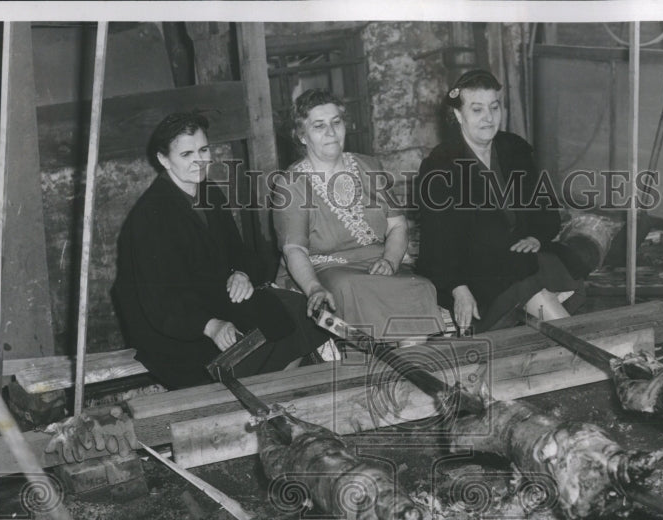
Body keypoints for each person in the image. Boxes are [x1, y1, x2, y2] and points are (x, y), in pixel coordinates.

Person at [113, 111, 327, 389]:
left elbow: (238, 251)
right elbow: (157, 299)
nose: (199, 161)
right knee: (245, 343)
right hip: (172, 324)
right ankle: (253, 398)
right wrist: (210, 325)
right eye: (187, 154)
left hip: (209, 298)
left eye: (203, 150)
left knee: (298, 311)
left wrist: (241, 273)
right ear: (163, 160)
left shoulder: (209, 192)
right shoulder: (151, 215)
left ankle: (274, 395)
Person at [416, 69, 580, 334]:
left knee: (556, 267)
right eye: (477, 110)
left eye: (494, 107)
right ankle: (593, 350)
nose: (488, 118)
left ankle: (584, 348)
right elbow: (436, 243)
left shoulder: (514, 148)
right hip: (475, 272)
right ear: (459, 115)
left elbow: (546, 210)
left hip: (522, 257)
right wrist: (459, 289)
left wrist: (536, 236)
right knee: (535, 289)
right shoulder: (439, 166)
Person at [272, 89, 441, 341]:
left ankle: (410, 362)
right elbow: (294, 250)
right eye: (319, 126)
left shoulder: (369, 167)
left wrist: (390, 261)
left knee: (422, 287)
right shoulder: (292, 183)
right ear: (302, 136)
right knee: (350, 287)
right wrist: (313, 288)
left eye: (336, 122)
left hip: (378, 264)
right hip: (325, 270)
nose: (330, 132)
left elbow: (397, 226)